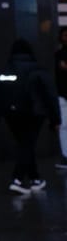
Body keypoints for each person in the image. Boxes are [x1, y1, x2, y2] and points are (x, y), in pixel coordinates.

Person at [0, 38, 58, 194]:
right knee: (27, 145)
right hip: (34, 113)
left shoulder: (6, 70)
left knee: (25, 145)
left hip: (11, 114)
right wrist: (55, 119)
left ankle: (35, 178)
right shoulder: (37, 70)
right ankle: (18, 178)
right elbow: (50, 94)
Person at [54, 28, 67, 168]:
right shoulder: (59, 54)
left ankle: (65, 156)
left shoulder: (59, 54)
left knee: (64, 127)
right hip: (62, 94)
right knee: (64, 127)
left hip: (62, 94)